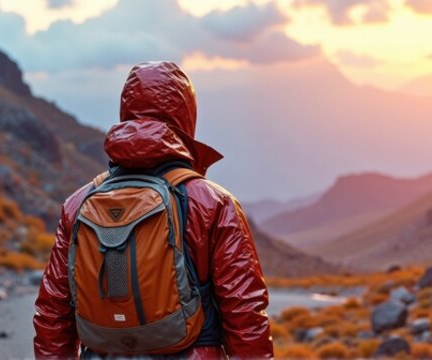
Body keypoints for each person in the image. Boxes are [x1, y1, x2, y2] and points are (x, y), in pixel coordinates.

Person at [32, 61, 273, 359]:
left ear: (126, 112)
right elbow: (245, 312)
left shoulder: (79, 203)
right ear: (187, 116)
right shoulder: (213, 203)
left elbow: (53, 311)